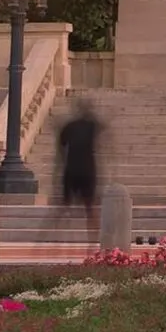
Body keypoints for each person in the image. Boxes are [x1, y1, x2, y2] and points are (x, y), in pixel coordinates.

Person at [57, 100, 103, 235]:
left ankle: (55, 237)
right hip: (87, 169)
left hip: (72, 168)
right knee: (90, 208)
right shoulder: (92, 126)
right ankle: (94, 240)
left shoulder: (70, 126)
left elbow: (61, 146)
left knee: (65, 205)